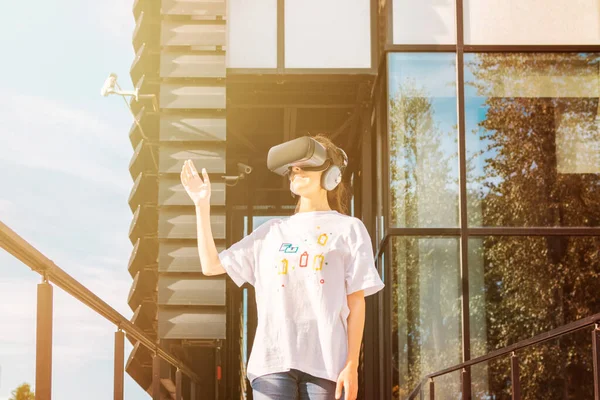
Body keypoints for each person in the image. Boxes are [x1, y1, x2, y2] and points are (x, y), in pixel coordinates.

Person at [180, 134, 384, 400]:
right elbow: (211, 265)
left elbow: (356, 302)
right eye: (293, 167)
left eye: (306, 165)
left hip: (327, 364)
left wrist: (351, 365)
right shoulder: (271, 232)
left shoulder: (349, 229)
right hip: (271, 363)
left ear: (332, 174)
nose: (296, 171)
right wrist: (201, 204)